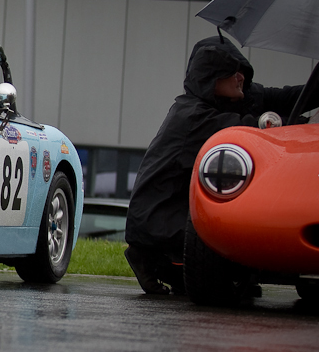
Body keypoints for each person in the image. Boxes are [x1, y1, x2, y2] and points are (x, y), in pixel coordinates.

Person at [124, 35, 302, 294]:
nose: (240, 77)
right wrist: (298, 125)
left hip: (170, 217)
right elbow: (251, 129)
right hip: (160, 222)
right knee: (239, 249)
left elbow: (286, 97)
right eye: (231, 72)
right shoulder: (194, 117)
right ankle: (153, 260)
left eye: (242, 71)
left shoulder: (223, 98)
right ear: (211, 79)